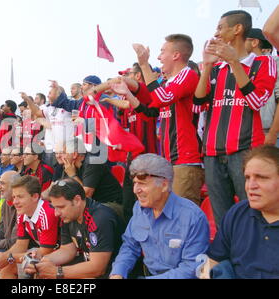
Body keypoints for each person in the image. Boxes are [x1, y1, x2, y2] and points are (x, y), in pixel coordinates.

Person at [194, 10, 277, 226]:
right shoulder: (214, 68)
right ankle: (229, 259)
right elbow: (197, 104)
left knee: (255, 214)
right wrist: (207, 67)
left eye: (220, 27)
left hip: (245, 151)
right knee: (224, 220)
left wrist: (234, 63)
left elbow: (256, 101)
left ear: (237, 29)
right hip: (212, 151)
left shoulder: (263, 63)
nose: (216, 33)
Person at [115, 34, 204, 206]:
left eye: (163, 52)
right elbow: (149, 112)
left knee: (182, 217)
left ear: (176, 55)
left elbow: (161, 98)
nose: (159, 57)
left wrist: (144, 65)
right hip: (168, 161)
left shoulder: (188, 75)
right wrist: (127, 93)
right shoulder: (168, 84)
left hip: (185, 160)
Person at [109, 154, 209, 279]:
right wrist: (118, 272)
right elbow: (130, 245)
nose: (135, 190)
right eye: (135, 183)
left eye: (142, 184)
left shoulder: (192, 217)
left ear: (164, 185)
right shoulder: (139, 209)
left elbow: (191, 268)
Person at [201, 145, 279, 279]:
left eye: (261, 178)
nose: (251, 186)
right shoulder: (238, 213)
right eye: (248, 178)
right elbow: (214, 260)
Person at [25, 178, 125, 279]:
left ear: (77, 200)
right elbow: (67, 250)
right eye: (54, 207)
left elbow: (98, 268)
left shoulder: (100, 218)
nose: (56, 213)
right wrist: (42, 262)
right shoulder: (69, 216)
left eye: (61, 207)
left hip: (114, 274)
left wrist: (57, 271)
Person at [0, 176, 59, 279]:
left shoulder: (46, 213)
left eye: (20, 197)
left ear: (35, 197)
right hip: (41, 253)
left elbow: (46, 252)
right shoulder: (22, 213)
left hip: (60, 256)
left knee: (38, 269)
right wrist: (3, 257)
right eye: (14, 197)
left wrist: (8, 257)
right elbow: (20, 245)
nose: (15, 202)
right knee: (6, 267)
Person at [245, 28, 279, 147]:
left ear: (255, 42)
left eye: (243, 40)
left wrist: (273, 133)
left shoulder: (274, 62)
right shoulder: (238, 66)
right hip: (244, 135)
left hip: (268, 134)